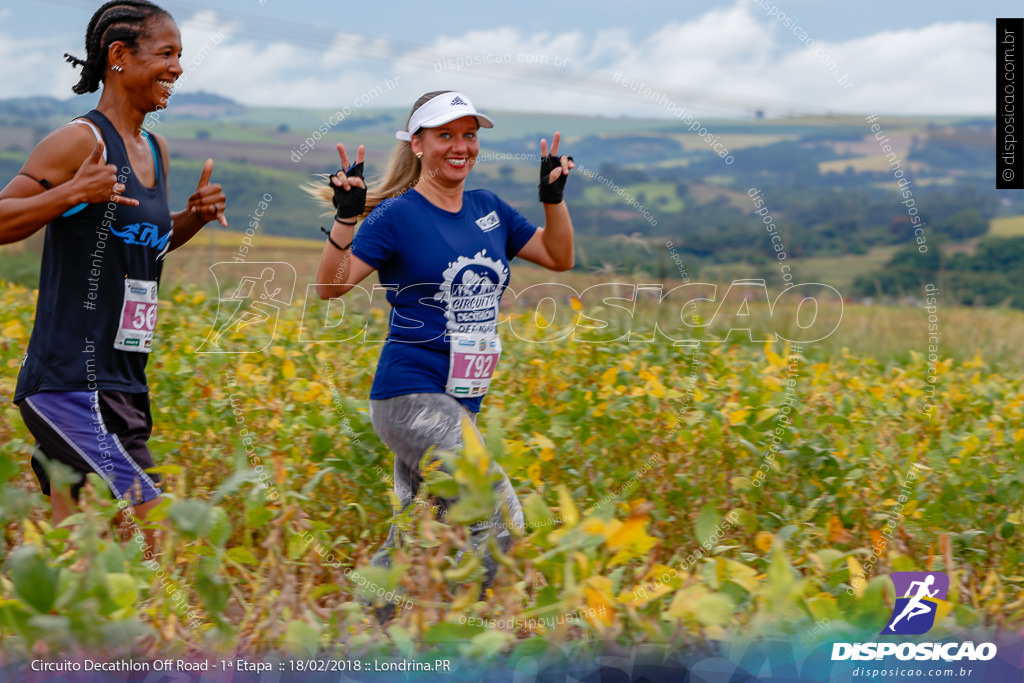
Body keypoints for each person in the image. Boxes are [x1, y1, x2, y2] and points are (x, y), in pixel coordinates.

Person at [313, 90, 574, 616]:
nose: (461, 147)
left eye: (469, 135)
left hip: (462, 399)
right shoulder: (397, 216)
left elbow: (557, 256)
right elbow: (331, 287)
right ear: (418, 144)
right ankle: (476, 634)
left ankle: (362, 634)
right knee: (493, 506)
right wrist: (345, 220)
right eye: (446, 135)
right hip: (410, 394)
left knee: (418, 529)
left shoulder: (488, 209)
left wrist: (553, 198)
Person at [0, 0, 227, 549]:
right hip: (69, 382)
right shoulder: (82, 141)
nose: (177, 68)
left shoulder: (155, 148)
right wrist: (72, 192)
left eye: (180, 55)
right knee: (157, 527)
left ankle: (47, 633)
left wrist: (191, 218)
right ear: (119, 56)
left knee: (72, 552)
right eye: (166, 53)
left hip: (123, 378)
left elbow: (142, 247)